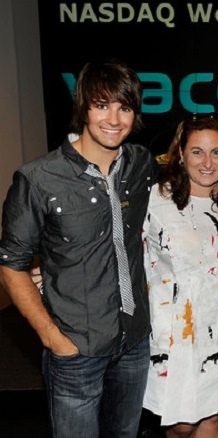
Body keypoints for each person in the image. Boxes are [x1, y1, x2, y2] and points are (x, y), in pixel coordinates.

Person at [0, 59, 155, 437]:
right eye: (102, 105)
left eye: (124, 107)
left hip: (135, 341)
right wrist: (52, 338)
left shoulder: (140, 163)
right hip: (76, 348)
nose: (114, 119)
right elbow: (11, 265)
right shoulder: (39, 178)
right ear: (83, 107)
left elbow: (192, 177)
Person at [142, 113, 218, 437]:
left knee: (213, 418)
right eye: (197, 152)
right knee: (181, 425)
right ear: (180, 153)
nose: (207, 162)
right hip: (171, 334)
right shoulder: (155, 199)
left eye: (216, 152)